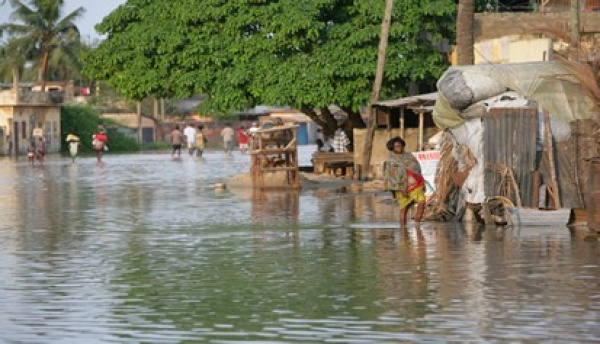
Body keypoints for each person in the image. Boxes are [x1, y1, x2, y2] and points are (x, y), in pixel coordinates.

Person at [383, 136, 426, 229]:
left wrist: (421, 181)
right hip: (401, 187)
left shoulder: (409, 156)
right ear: (392, 148)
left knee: (422, 202)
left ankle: (417, 225)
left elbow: (417, 169)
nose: (399, 148)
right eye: (396, 146)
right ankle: (403, 229)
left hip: (416, 185)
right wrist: (401, 188)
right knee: (404, 208)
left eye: (400, 145)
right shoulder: (391, 161)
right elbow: (391, 177)